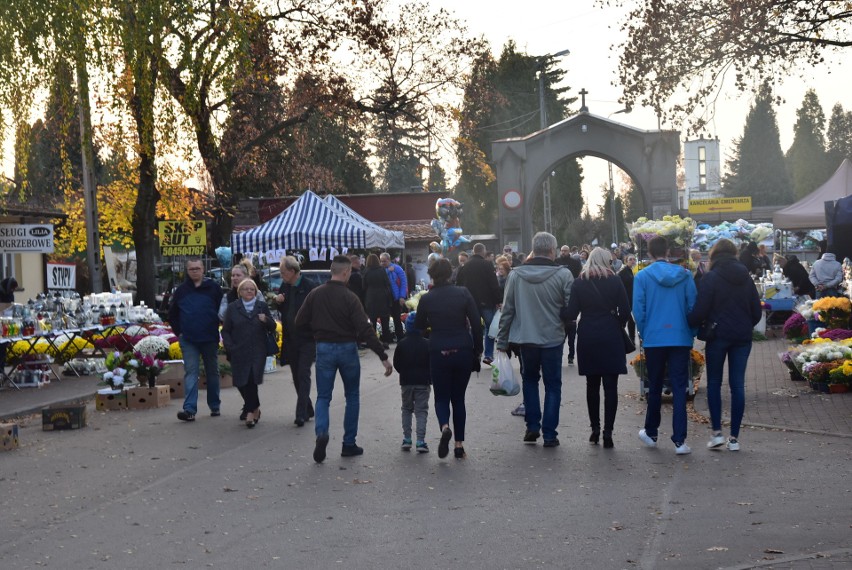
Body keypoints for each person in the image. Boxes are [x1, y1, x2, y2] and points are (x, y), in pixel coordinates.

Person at [295, 255, 393, 463]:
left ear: (332, 270)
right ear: (346, 272)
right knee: (352, 396)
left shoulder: (315, 294)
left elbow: (299, 321)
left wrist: (316, 333)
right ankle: (349, 443)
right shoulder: (350, 298)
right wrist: (382, 356)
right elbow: (365, 329)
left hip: (324, 348)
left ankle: (321, 433)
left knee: (323, 397)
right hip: (348, 349)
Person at [496, 232, 573, 448]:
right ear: (552, 250)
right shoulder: (564, 275)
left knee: (530, 380)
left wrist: (501, 341)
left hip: (526, 340)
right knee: (553, 385)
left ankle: (532, 426)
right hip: (553, 339)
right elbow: (570, 309)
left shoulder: (515, 276)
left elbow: (507, 311)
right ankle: (550, 434)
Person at [687, 239, 762, 452]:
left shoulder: (711, 278)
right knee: (737, 386)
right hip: (741, 337)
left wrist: (690, 321)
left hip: (717, 335)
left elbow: (700, 310)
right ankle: (735, 438)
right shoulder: (745, 276)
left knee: (714, 384)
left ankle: (717, 433)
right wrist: (745, 324)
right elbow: (756, 311)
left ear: (714, 255)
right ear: (734, 254)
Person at [633, 236, 697, 455]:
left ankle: (651, 432)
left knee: (655, 386)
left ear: (649, 253)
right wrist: (691, 332)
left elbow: (639, 310)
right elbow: (693, 306)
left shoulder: (642, 277)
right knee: (680, 387)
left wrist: (644, 332)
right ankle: (680, 441)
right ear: (669, 251)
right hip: (679, 336)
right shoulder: (685, 275)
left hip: (654, 337)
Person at [414, 258, 483, 459]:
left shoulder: (426, 299)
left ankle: (444, 426)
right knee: (458, 398)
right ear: (450, 274)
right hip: (462, 348)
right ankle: (459, 446)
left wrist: (431, 329)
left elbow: (418, 327)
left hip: (438, 350)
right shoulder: (463, 293)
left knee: (441, 397)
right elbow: (477, 325)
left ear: (432, 275)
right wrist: (477, 350)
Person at [563, 248, 630, 449]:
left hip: (588, 333)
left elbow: (572, 313)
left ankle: (594, 429)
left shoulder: (579, 282)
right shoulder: (615, 280)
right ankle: (608, 431)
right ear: (607, 261)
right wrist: (616, 321)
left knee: (592, 385)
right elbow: (626, 310)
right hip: (610, 333)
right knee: (611, 386)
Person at [168, 258, 224, 422]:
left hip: (209, 338)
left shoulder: (213, 288)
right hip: (189, 339)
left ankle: (215, 405)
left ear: (203, 270)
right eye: (191, 269)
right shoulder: (181, 291)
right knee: (191, 373)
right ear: (187, 270)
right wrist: (180, 332)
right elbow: (172, 314)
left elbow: (223, 309)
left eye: (197, 268)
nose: (194, 271)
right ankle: (189, 409)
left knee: (212, 372)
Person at [221, 279, 276, 428]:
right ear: (240, 292)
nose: (249, 291)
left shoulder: (261, 306)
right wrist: (230, 346)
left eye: (252, 289)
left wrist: (266, 320)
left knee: (251, 379)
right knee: (242, 382)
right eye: (246, 289)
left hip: (258, 350)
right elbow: (226, 330)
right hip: (239, 350)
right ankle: (256, 406)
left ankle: (250, 412)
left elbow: (273, 326)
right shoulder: (233, 308)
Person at [276, 255, 317, 426]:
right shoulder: (284, 286)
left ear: (293, 271)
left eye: (283, 272)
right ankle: (307, 407)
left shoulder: (310, 287)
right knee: (296, 375)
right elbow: (283, 309)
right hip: (290, 339)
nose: (281, 275)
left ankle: (300, 414)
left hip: (307, 338)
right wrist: (278, 302)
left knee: (303, 373)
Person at [456, 243, 502, 366]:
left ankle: (475, 353)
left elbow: (458, 285)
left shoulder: (464, 266)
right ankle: (488, 355)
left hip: (469, 303)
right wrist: (498, 300)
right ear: (483, 251)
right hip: (486, 302)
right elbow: (494, 284)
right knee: (490, 328)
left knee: (473, 328)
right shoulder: (487, 265)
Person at [393, 310, 431, 453]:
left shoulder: (402, 344)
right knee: (421, 411)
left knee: (407, 409)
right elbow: (431, 363)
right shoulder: (427, 344)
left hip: (406, 382)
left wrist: (403, 372)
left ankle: (407, 439)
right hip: (423, 382)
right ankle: (420, 441)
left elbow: (397, 363)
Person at [556, 245, 582, 366]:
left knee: (571, 337)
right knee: (562, 337)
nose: (563, 253)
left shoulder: (574, 262)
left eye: (565, 251)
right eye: (562, 251)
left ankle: (571, 356)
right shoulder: (557, 261)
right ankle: (559, 355)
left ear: (569, 252)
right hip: (559, 293)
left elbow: (578, 274)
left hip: (572, 291)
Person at [362, 253, 393, 347]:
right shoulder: (382, 270)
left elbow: (364, 286)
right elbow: (387, 283)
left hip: (371, 298)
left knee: (372, 321)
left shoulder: (366, 271)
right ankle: (386, 342)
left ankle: (373, 342)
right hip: (383, 297)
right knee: (385, 321)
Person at [380, 252, 408, 342]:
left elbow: (403, 283)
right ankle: (387, 338)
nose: (382, 263)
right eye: (381, 261)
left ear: (389, 260)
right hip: (385, 298)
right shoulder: (381, 270)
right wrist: (388, 270)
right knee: (385, 319)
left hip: (395, 297)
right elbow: (380, 278)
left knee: (397, 318)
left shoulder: (397, 268)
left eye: (384, 261)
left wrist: (402, 296)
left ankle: (400, 337)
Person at [618, 254, 637, 343]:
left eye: (634, 259)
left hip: (635, 299)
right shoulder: (622, 272)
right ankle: (627, 338)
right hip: (626, 300)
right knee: (627, 320)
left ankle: (631, 339)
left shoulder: (636, 271)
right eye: (630, 259)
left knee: (632, 321)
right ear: (626, 261)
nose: (632, 261)